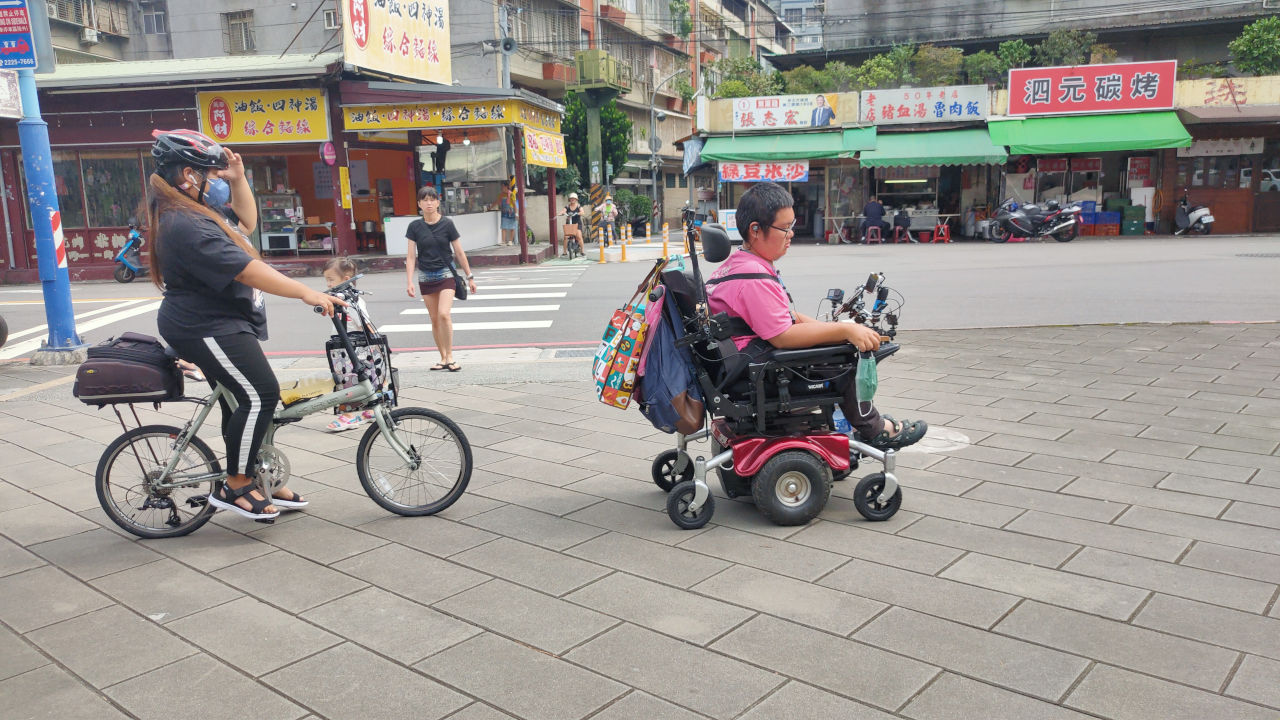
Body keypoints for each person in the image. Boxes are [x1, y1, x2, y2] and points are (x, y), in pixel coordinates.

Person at [146, 128, 343, 521]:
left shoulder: (196, 209)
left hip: (222, 322)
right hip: (203, 326)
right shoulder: (185, 223)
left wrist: (238, 179)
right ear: (188, 175)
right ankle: (236, 485)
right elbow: (249, 270)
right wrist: (306, 292)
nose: (218, 181)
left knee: (239, 399)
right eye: (213, 175)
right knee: (260, 395)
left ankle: (255, 477)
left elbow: (247, 224)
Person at [705, 181, 927, 452]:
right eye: (784, 228)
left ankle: (855, 423)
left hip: (741, 358)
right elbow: (783, 335)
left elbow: (788, 315)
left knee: (836, 342)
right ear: (755, 229)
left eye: (792, 225)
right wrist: (845, 333)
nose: (791, 234)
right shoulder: (753, 278)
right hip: (756, 367)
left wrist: (836, 327)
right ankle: (874, 429)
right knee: (843, 360)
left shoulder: (738, 266)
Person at [406, 186, 477, 372]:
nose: (429, 203)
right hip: (425, 275)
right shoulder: (414, 227)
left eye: (432, 199)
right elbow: (411, 256)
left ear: (438, 202)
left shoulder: (447, 224)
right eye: (425, 200)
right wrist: (409, 281)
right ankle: (443, 357)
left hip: (446, 272)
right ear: (419, 204)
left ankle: (451, 356)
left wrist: (470, 276)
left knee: (444, 314)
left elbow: (459, 252)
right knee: (434, 319)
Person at [322, 257, 378, 432]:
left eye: (331, 280)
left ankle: (349, 415)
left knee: (346, 379)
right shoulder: (341, 298)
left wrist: (374, 341)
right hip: (345, 344)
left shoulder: (352, 300)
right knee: (357, 377)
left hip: (352, 344)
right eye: (326, 280)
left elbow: (363, 323)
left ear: (346, 280)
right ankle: (368, 410)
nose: (328, 284)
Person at [557, 192, 584, 256]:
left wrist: (579, 213)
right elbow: (563, 211)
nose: (572, 200)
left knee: (579, 236)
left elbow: (582, 211)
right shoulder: (567, 206)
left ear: (576, 199)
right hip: (569, 224)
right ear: (569, 200)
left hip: (577, 224)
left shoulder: (578, 206)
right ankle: (564, 252)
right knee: (566, 237)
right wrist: (561, 213)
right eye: (571, 199)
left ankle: (582, 251)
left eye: (574, 199)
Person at [498, 181, 518, 247]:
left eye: (503, 186)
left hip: (511, 211)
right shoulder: (502, 194)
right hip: (504, 212)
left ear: (506, 186)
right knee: (504, 227)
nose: (502, 188)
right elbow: (500, 203)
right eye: (501, 186)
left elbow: (515, 205)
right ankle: (503, 241)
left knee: (512, 227)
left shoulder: (512, 194)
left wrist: (516, 213)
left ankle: (510, 241)